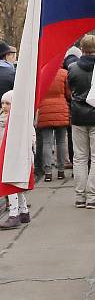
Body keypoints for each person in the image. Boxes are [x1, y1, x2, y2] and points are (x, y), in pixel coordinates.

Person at [69, 35, 95, 209]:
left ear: (81, 48)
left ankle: (80, 196)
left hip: (78, 115)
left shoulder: (72, 68)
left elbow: (70, 89)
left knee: (79, 157)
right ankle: (94, 196)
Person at [0, 90, 32, 229]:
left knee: (10, 184)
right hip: (6, 155)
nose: (4, 106)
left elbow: (30, 137)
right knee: (16, 185)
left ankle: (14, 215)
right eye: (2, 103)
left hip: (14, 156)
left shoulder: (20, 120)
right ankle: (24, 211)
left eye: (8, 103)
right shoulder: (3, 119)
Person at [36, 64, 70, 181]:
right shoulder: (64, 73)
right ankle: (61, 171)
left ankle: (48, 173)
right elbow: (68, 93)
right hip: (61, 108)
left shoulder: (40, 73)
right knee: (61, 142)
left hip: (45, 109)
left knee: (47, 143)